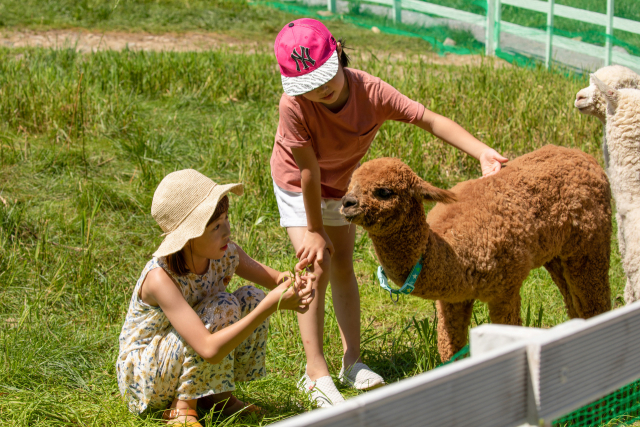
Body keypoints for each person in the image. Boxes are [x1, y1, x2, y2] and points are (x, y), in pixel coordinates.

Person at [271, 18, 508, 406]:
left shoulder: (371, 91)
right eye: (307, 84)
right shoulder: (294, 106)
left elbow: (427, 119)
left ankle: (353, 362)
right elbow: (308, 170)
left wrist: (481, 150)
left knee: (344, 263)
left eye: (325, 76)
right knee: (316, 265)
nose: (319, 89)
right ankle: (315, 373)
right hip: (299, 185)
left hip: (344, 188)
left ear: (339, 52)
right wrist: (314, 230)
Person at [116, 169, 314, 426]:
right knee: (225, 306)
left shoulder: (224, 254)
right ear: (188, 236)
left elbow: (277, 279)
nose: (227, 231)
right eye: (215, 226)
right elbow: (208, 349)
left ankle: (218, 398)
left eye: (226, 219)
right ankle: (183, 409)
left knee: (251, 297)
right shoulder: (160, 278)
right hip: (148, 376)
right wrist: (270, 306)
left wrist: (295, 280)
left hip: (183, 356)